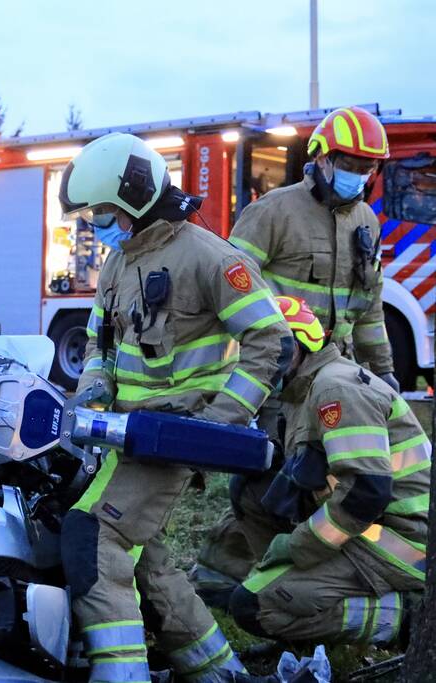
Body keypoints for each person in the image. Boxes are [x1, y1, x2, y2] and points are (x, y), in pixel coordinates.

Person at [60, 133, 293, 682]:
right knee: (154, 564)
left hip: (170, 437)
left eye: (104, 212)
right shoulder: (120, 263)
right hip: (122, 435)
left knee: (97, 540)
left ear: (137, 198)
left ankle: (121, 675)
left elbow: (271, 340)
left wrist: (218, 423)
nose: (98, 223)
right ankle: (219, 671)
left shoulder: (209, 257)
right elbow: (99, 344)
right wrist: (92, 392)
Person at [195, 107, 396, 598]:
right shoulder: (272, 212)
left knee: (321, 482)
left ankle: (292, 579)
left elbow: (367, 311)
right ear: (321, 160)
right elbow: (227, 294)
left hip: (336, 378)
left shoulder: (365, 221)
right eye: (349, 161)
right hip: (279, 381)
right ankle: (219, 579)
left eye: (367, 165)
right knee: (263, 484)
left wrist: (385, 375)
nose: (358, 173)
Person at [230, 295, 429, 647]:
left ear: (297, 346)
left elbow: (366, 493)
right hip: (370, 527)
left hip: (404, 545)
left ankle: (405, 619)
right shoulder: (301, 389)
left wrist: (298, 546)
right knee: (251, 487)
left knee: (256, 607)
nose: (257, 361)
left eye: (268, 349)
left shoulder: (335, 389)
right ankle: (298, 593)